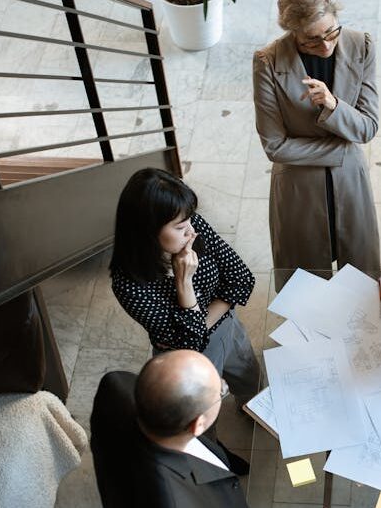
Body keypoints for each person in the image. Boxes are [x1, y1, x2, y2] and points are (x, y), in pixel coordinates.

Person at [253, 0, 380, 288]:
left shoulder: (361, 45)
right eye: (311, 40)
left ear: (336, 17)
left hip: (350, 181)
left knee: (360, 276)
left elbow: (367, 128)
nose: (325, 47)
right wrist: (339, 151)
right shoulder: (268, 62)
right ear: (292, 32)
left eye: (331, 33)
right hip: (299, 190)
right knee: (305, 282)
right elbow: (275, 146)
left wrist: (334, 105)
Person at [110, 168, 260, 408]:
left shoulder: (191, 225)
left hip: (227, 327)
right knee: (201, 416)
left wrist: (201, 326)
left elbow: (240, 278)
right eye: (180, 227)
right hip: (185, 359)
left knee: (249, 380)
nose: (191, 231)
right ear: (147, 232)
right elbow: (187, 347)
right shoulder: (130, 286)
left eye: (189, 220)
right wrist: (184, 283)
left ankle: (250, 409)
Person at [90, 351, 250, 508]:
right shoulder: (174, 499)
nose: (223, 388)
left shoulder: (115, 384)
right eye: (222, 391)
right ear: (198, 424)